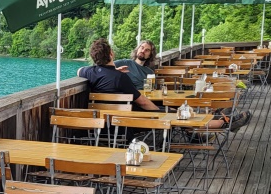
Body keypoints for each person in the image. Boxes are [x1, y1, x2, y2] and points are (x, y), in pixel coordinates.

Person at [79, 38, 251, 131]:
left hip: (105, 123)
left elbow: (79, 71)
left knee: (178, 114)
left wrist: (113, 70)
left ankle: (214, 121)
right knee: (177, 115)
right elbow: (143, 102)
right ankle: (223, 123)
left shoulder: (90, 72)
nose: (143, 50)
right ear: (111, 54)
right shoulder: (120, 77)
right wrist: (159, 111)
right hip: (129, 120)